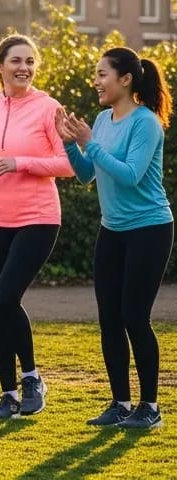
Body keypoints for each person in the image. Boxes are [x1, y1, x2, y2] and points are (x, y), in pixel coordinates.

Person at [56, 47, 173, 430]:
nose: (96, 81)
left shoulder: (146, 123)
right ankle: (120, 404)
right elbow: (88, 174)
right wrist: (70, 143)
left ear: (126, 79)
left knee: (134, 317)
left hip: (149, 229)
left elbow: (129, 175)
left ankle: (150, 407)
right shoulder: (102, 120)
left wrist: (89, 142)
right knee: (109, 319)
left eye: (102, 73)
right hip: (112, 230)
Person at [0, 34, 73, 419]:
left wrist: (20, 162)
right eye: (16, 61)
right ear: (1, 65)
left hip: (38, 216)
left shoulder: (48, 107)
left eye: (29, 61)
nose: (23, 67)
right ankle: (7, 393)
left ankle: (32, 378)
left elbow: (66, 163)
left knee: (6, 297)